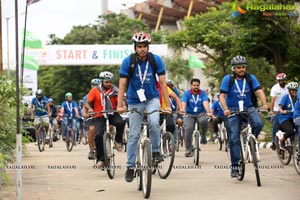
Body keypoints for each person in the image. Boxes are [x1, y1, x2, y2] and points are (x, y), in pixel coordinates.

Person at [117, 32, 172, 182]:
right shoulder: (128, 61)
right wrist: (120, 104)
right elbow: (122, 84)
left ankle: (155, 152)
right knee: (134, 133)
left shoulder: (156, 60)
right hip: (134, 100)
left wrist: (167, 104)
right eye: (139, 46)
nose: (142, 49)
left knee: (154, 123)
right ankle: (130, 167)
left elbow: (162, 83)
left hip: (152, 99)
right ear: (135, 47)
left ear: (148, 47)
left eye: (144, 46)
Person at [219, 55, 268, 178]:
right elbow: (222, 96)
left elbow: (259, 91)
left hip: (249, 108)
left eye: (243, 67)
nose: (241, 69)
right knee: (234, 138)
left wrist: (265, 104)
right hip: (232, 110)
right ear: (233, 68)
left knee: (258, 124)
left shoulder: (250, 78)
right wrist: (225, 109)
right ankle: (235, 166)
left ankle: (251, 142)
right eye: (238, 67)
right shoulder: (228, 79)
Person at [85, 71, 126, 167]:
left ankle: (117, 141)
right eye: (107, 82)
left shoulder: (115, 90)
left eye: (110, 82)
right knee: (98, 135)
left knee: (121, 122)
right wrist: (90, 109)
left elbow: (120, 101)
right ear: (102, 81)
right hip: (99, 115)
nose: (109, 84)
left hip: (112, 113)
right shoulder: (95, 90)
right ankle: (101, 159)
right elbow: (87, 102)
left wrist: (123, 107)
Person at [182, 78, 212, 157]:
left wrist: (208, 111)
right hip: (189, 114)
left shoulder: (203, 93)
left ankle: (203, 136)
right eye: (194, 85)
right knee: (188, 129)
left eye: (197, 85)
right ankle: (188, 149)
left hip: (200, 113)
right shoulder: (186, 93)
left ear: (199, 85)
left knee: (204, 121)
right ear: (191, 85)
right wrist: (183, 110)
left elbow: (205, 102)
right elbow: (184, 102)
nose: (195, 87)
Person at [82, 78, 101, 159]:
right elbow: (84, 106)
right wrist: (85, 114)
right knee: (92, 129)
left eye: (97, 86)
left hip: (102, 116)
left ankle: (109, 143)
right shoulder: (87, 96)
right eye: (94, 86)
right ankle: (91, 150)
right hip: (92, 116)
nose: (95, 87)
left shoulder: (104, 94)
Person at [277, 82, 298, 150]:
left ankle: (294, 142)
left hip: (294, 118)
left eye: (295, 90)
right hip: (284, 118)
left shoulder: (297, 98)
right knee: (290, 131)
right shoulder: (285, 97)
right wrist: (283, 111)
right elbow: (280, 107)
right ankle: (282, 140)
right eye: (292, 90)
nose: (294, 91)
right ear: (289, 91)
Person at [269, 73, 288, 150]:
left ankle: (285, 140)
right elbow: (272, 100)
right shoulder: (275, 88)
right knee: (275, 126)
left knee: (286, 126)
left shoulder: (287, 88)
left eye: (283, 80)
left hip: (285, 110)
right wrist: (271, 111)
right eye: (280, 80)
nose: (282, 82)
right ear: (278, 81)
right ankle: (273, 142)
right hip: (276, 110)